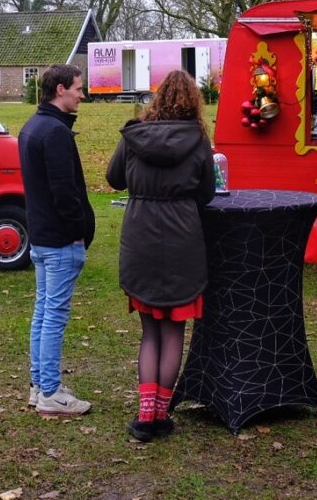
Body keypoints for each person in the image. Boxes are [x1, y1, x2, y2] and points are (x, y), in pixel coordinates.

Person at [105, 69, 216, 442]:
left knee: (149, 331)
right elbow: (206, 193)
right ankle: (161, 415)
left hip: (141, 237)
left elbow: (114, 178)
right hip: (183, 237)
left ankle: (144, 414)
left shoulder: (133, 134)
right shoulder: (198, 139)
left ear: (158, 97)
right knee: (173, 331)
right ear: (193, 102)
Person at [19, 64, 96, 418]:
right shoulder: (54, 132)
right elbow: (65, 192)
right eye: (78, 88)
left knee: (43, 312)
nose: (82, 94)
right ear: (61, 89)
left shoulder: (33, 126)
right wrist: (79, 229)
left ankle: (39, 386)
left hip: (41, 237)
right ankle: (50, 390)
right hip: (60, 240)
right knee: (53, 317)